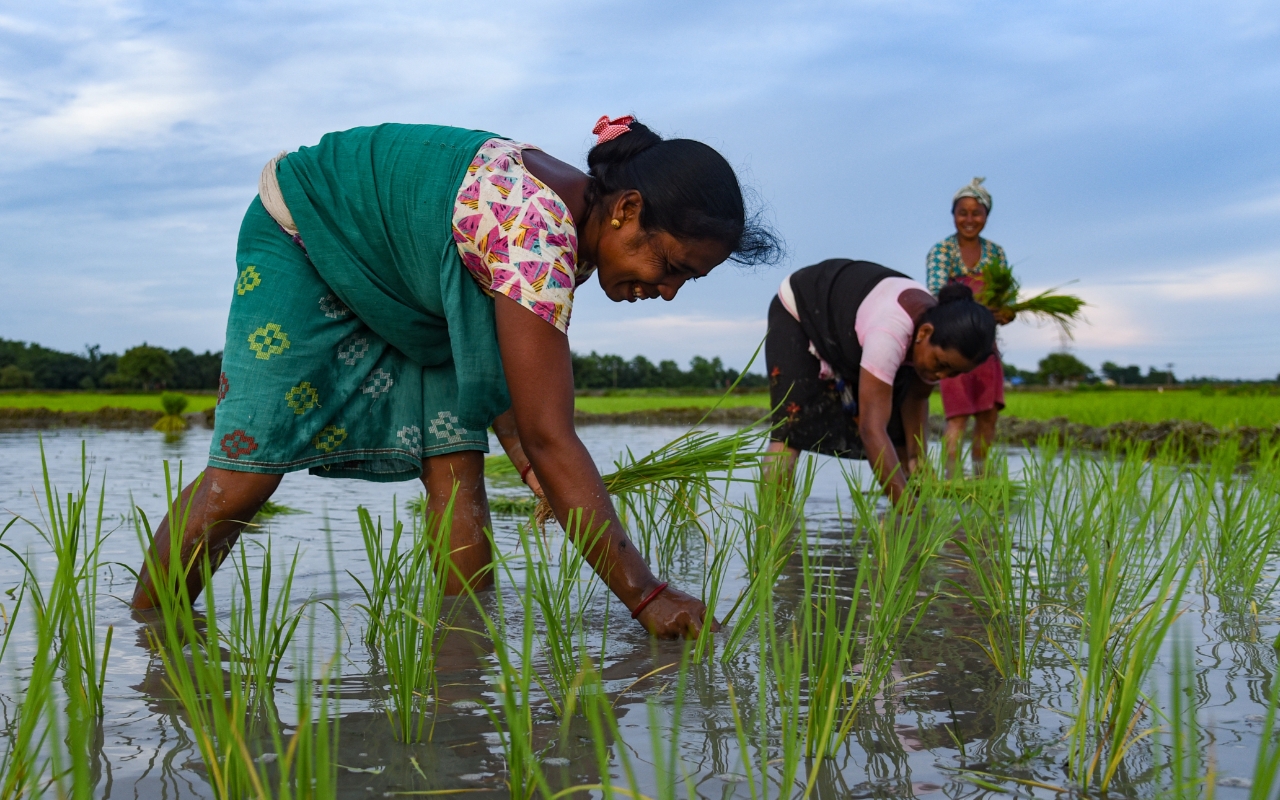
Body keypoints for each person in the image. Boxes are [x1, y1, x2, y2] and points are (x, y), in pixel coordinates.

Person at [130, 116, 779, 639]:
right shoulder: (538, 232)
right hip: (308, 229)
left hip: (420, 287)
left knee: (456, 469)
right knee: (246, 474)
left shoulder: (570, 232)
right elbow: (551, 433)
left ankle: (461, 682)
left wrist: (527, 460)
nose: (666, 291)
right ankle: (147, 636)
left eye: (685, 281)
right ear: (626, 210)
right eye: (669, 264)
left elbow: (507, 382)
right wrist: (646, 595)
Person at [764, 259, 996, 503]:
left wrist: (919, 459)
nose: (941, 377)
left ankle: (910, 526)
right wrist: (905, 508)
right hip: (802, 310)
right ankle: (774, 527)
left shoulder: (936, 334)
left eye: (953, 374)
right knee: (790, 430)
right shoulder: (889, 333)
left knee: (901, 440)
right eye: (941, 365)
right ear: (925, 333)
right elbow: (871, 428)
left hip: (851, 330)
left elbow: (917, 397)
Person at [926, 177, 1016, 478]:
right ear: (953, 215)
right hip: (954, 343)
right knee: (958, 416)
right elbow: (938, 294)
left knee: (988, 415)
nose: (969, 219)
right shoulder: (941, 252)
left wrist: (1005, 312)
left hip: (986, 347)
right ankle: (952, 479)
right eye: (962, 212)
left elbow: (1007, 298)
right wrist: (978, 307)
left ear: (986, 216)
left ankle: (981, 478)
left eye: (976, 213)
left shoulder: (996, 254)